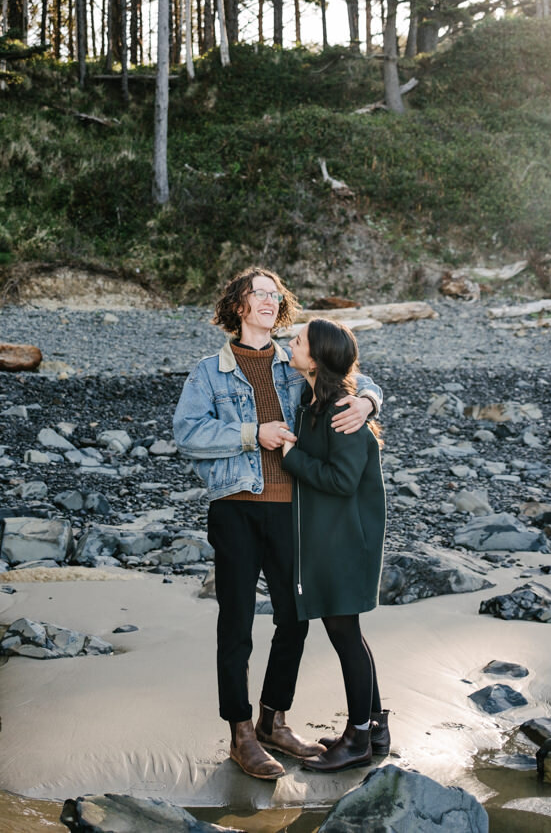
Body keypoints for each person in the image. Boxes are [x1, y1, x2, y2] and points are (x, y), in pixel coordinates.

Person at [173, 269, 383, 780]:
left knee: (295, 618)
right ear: (239, 305)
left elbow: (352, 370)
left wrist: (368, 400)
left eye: (275, 294)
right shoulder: (209, 371)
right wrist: (252, 433)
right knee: (237, 622)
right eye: (258, 293)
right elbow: (187, 433)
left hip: (295, 511)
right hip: (237, 506)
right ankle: (241, 733)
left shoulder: (295, 361)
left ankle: (273, 718)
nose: (269, 300)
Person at [280, 318, 388, 773]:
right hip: (333, 539)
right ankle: (375, 729)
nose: (291, 342)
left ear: (317, 357)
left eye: (299, 340)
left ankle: (359, 738)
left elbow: (342, 481)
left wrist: (291, 457)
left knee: (346, 636)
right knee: (348, 635)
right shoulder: (314, 402)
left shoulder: (343, 411)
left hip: (348, 543)